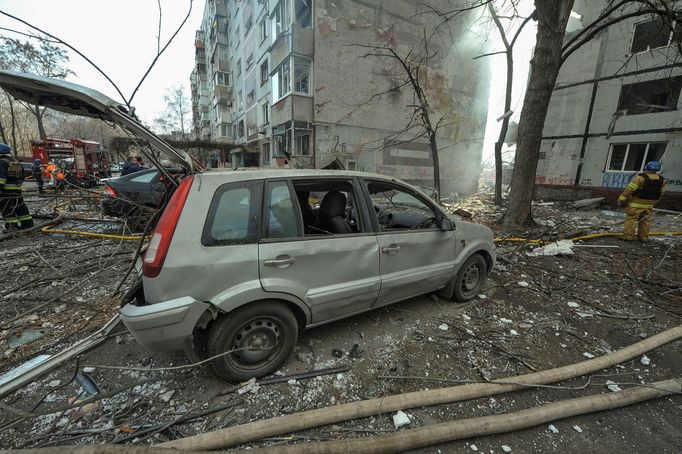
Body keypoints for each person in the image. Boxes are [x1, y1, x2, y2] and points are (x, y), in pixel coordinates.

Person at [617, 161, 665, 241]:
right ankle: (643, 237)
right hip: (650, 204)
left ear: (646, 168)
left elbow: (629, 189)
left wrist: (621, 199)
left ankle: (628, 237)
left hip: (636, 203)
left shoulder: (640, 178)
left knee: (632, 219)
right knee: (645, 220)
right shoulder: (662, 180)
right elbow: (661, 193)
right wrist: (654, 202)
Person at [0, 143, 34, 230]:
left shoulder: (1, 162)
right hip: (17, 190)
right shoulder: (14, 161)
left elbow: (1, 179)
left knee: (7, 209)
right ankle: (28, 224)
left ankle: (12, 227)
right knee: (20, 208)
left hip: (6, 191)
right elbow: (22, 176)